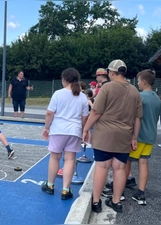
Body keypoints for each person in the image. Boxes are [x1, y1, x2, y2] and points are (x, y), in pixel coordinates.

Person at [83, 59, 142, 213]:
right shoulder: (135, 91)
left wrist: (86, 128)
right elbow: (137, 118)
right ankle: (116, 201)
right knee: (120, 168)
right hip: (124, 135)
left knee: (102, 166)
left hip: (105, 134)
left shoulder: (107, 88)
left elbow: (96, 111)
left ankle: (96, 202)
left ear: (112, 72)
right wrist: (134, 137)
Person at [41, 68, 89, 200]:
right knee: (69, 159)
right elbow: (85, 117)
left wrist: (46, 127)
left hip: (58, 130)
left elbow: (50, 113)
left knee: (54, 157)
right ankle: (66, 189)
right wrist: (85, 131)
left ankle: (50, 185)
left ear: (64, 80)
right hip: (74, 130)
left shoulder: (58, 94)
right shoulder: (83, 97)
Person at [125, 69, 161, 205]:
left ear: (144, 82)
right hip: (150, 136)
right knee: (144, 162)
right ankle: (141, 193)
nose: (138, 83)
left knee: (126, 162)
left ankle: (120, 188)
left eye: (139, 81)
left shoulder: (140, 97)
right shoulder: (157, 98)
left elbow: (133, 117)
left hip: (138, 135)